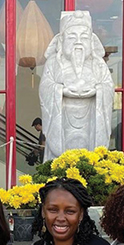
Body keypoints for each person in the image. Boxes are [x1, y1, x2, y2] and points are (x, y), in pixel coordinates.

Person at [39, 11, 114, 160]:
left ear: (92, 42)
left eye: (84, 37)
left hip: (90, 120)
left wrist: (98, 91)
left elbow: (108, 86)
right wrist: (60, 91)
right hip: (62, 121)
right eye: (72, 37)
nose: (78, 42)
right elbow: (45, 88)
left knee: (90, 159)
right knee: (59, 160)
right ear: (61, 41)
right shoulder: (53, 63)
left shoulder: (98, 64)